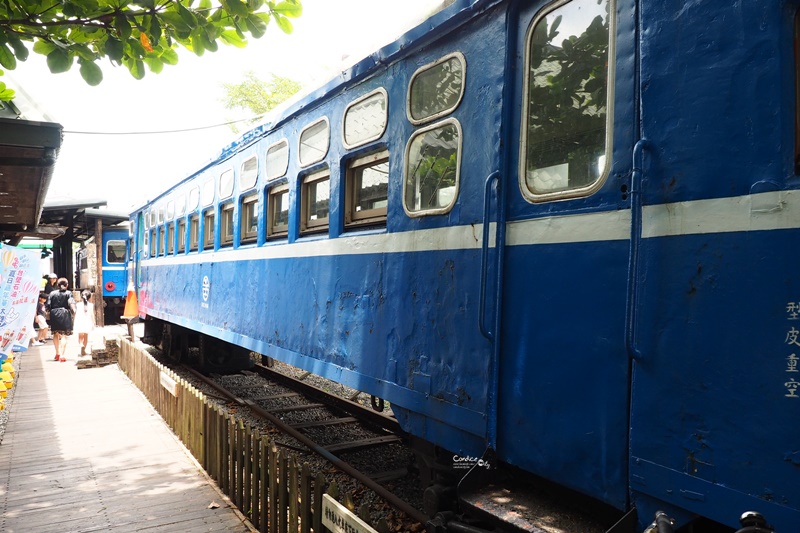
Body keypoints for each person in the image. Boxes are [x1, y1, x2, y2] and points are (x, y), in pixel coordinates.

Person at [45, 278, 75, 362]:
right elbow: (71, 302)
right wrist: (74, 312)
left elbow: (48, 305)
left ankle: (57, 353)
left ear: (57, 285)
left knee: (55, 334)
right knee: (63, 336)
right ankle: (62, 355)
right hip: (65, 313)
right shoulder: (69, 293)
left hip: (54, 314)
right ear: (67, 285)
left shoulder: (52, 293)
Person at [73, 290, 95, 356]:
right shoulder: (91, 305)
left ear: (81, 297)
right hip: (87, 321)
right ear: (89, 297)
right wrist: (93, 323)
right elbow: (92, 314)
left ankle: (81, 345)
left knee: (80, 336)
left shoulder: (78, 305)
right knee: (86, 336)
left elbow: (75, 314)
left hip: (79, 321)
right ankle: (84, 350)